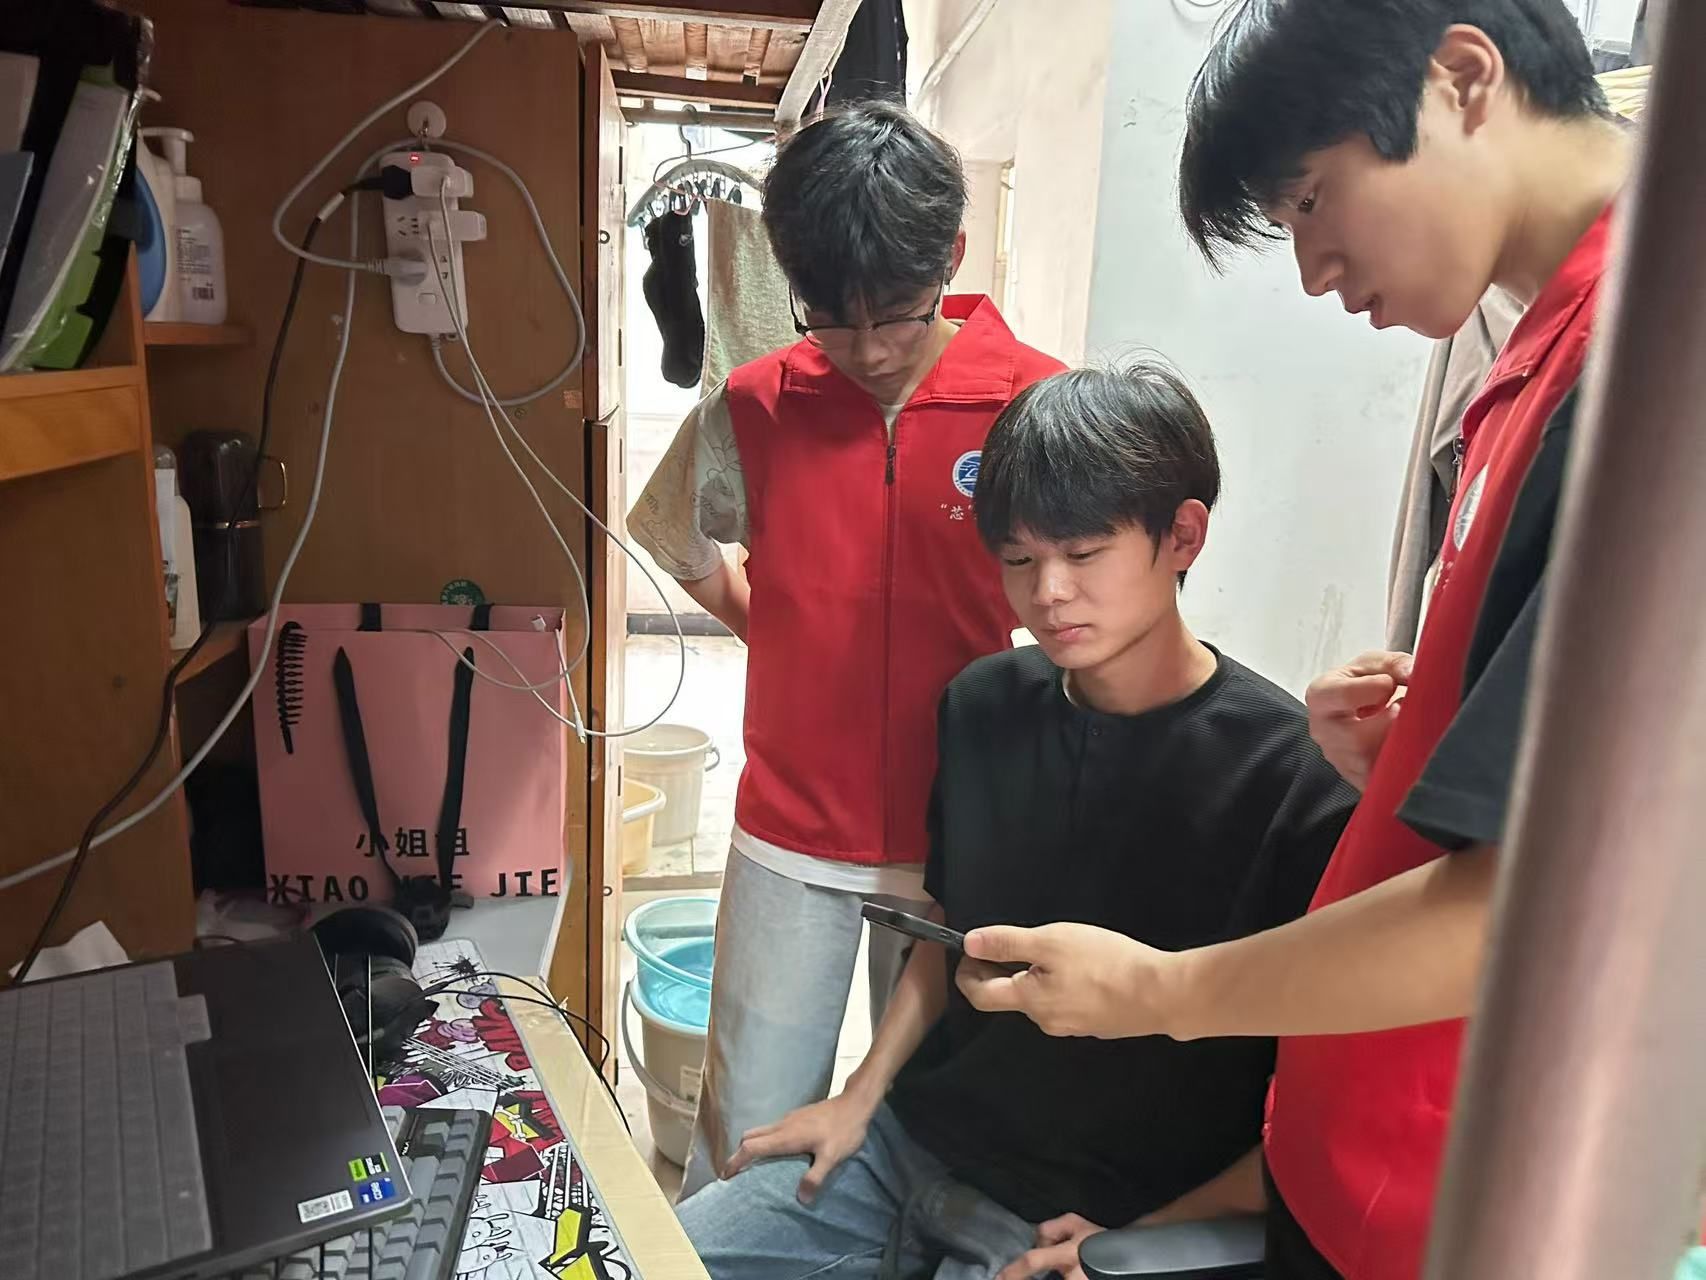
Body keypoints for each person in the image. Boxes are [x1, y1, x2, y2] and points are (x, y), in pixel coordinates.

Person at [953, 5, 1632, 1279]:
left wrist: (1155, 992)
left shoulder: (1643, 376)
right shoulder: (1522, 369)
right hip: (1345, 1165)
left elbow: (1549, 906)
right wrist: (1407, 762)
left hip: (1456, 1200)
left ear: (1461, 78)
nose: (1316, 273)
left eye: (1314, 200)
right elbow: (1538, 803)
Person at [676, 364, 1357, 1280]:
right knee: (637, 1256)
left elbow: (1324, 1098)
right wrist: (859, 1097)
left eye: (1084, 554)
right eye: (1020, 560)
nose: (1049, 594)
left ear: (1183, 536)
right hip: (912, 1147)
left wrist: (1153, 1238)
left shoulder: (1295, 779)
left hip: (1090, 1217)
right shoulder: (982, 704)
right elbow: (949, 929)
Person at [626, 101, 1065, 1200]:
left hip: (964, 835)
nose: (865, 349)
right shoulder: (754, 406)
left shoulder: (1034, 404)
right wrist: (771, 626)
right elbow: (675, 534)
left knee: (939, 1129)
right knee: (752, 1126)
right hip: (791, 835)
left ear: (950, 259)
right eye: (829, 318)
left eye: (896, 316)